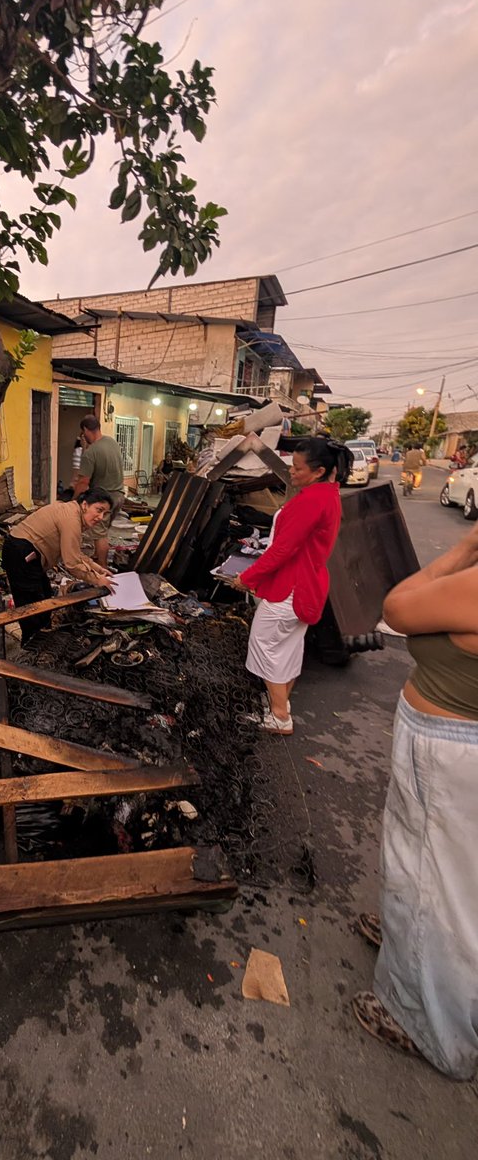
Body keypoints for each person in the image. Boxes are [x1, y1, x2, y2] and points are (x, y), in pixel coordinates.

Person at [351, 525, 478, 1080]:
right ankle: (406, 941)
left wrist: (466, 548)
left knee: (438, 886)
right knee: (427, 868)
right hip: (451, 747)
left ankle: (429, 1026)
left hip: (451, 754)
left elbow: (397, 608)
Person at [235, 436, 348, 734]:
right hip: (307, 584)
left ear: (319, 471)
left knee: (264, 645)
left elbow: (282, 550)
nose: (292, 472)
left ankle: (279, 715)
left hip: (291, 588)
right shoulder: (328, 495)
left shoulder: (312, 501)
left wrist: (247, 577)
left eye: (298, 468)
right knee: (288, 649)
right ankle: (281, 705)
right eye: (292, 465)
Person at [2, 490, 113, 643]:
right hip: (21, 552)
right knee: (31, 604)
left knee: (44, 596)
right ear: (85, 505)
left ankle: (42, 637)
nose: (100, 517)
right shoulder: (71, 519)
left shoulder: (73, 513)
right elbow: (72, 563)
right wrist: (97, 580)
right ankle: (32, 644)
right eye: (99, 510)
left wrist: (97, 568)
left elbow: (75, 552)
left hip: (28, 551)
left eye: (105, 513)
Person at [72, 415, 125, 567]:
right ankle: (97, 556)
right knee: (102, 530)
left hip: (104, 500)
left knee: (100, 534)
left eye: (83, 433)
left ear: (86, 430)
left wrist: (74, 501)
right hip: (119, 495)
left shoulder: (91, 453)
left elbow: (83, 482)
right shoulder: (111, 442)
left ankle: (102, 568)